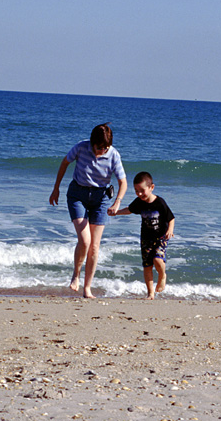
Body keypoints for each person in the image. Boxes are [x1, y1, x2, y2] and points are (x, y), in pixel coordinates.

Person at [49, 123, 127, 298]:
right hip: (78, 194)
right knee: (85, 240)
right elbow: (64, 163)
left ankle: (87, 288)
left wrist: (117, 202)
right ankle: (76, 275)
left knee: (94, 246)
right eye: (99, 147)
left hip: (101, 199)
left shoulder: (113, 155)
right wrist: (56, 188)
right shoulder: (81, 147)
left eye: (105, 147)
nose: (101, 151)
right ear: (92, 143)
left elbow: (123, 182)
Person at [110, 171, 175, 300]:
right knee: (147, 266)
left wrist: (170, 230)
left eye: (142, 190)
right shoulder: (139, 202)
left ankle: (162, 276)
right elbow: (129, 209)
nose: (139, 194)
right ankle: (150, 293)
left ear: (151, 187)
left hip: (161, 236)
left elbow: (171, 217)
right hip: (146, 238)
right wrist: (116, 213)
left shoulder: (160, 202)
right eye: (136, 190)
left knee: (157, 259)